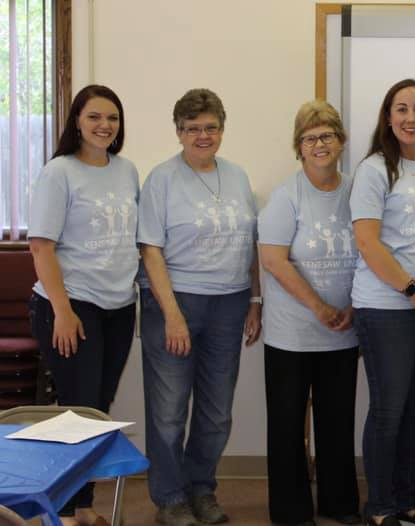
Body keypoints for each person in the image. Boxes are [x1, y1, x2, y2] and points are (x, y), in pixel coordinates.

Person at [138, 88, 261, 526]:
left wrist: (254, 299)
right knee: (170, 412)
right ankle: (170, 498)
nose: (202, 135)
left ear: (222, 130)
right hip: (176, 300)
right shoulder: (162, 179)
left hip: (229, 304)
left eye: (210, 127)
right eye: (192, 129)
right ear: (178, 132)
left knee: (216, 412)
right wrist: (172, 313)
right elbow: (150, 250)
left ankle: (201, 490)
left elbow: (250, 245)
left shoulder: (238, 176)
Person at [27, 84, 138, 526]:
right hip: (71, 305)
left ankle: (84, 503)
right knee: (76, 408)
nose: (103, 125)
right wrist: (64, 311)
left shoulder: (126, 170)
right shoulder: (60, 172)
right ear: (77, 121)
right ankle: (65, 510)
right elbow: (40, 247)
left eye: (111, 117)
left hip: (118, 305)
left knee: (97, 410)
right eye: (94, 116)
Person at [349, 79, 415, 526]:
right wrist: (413, 291)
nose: (411, 118)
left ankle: (409, 501)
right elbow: (369, 244)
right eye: (401, 109)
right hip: (387, 306)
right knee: (389, 410)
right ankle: (380, 507)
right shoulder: (374, 170)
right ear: (388, 118)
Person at [258, 100, 361, 526]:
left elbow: (372, 252)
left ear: (341, 141)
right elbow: (273, 260)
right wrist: (319, 306)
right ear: (298, 146)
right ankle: (290, 510)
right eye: (311, 137)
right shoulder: (286, 196)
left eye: (328, 135)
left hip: (344, 331)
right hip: (292, 335)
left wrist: (354, 306)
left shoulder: (357, 191)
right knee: (286, 426)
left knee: (337, 422)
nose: (320, 144)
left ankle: (338, 503)